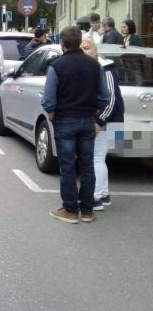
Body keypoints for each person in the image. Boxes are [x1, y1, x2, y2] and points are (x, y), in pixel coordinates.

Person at [41, 26, 108, 224]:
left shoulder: (56, 66)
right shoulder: (95, 66)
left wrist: (52, 114)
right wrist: (94, 112)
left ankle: (70, 210)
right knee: (87, 166)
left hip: (65, 121)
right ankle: (87, 210)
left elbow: (48, 100)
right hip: (87, 121)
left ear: (62, 44)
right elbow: (105, 96)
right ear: (79, 42)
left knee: (68, 167)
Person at [80, 38, 125, 211]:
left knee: (96, 158)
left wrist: (99, 121)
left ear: (96, 51)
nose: (84, 52)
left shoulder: (105, 68)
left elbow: (111, 99)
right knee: (99, 158)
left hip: (107, 121)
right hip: (105, 119)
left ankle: (96, 197)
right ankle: (104, 195)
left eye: (87, 48)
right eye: (81, 49)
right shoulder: (93, 68)